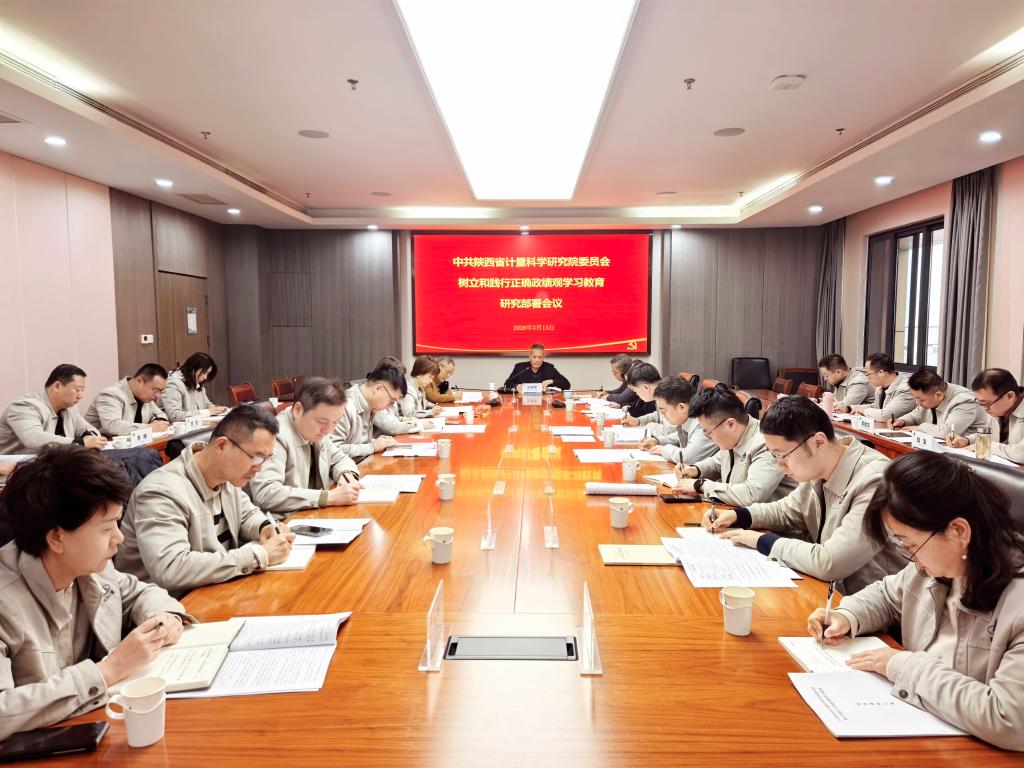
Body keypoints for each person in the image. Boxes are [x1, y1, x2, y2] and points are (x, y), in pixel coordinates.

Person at [808, 451, 1024, 751]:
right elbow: (887, 595)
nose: (910, 558)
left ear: (958, 531)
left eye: (910, 544)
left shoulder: (1017, 604)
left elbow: (1010, 719)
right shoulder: (934, 568)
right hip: (920, 733)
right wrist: (847, 615)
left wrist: (903, 666)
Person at [0, 445, 190, 741]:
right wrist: (107, 671)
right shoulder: (6, 599)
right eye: (106, 528)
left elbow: (139, 593)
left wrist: (164, 618)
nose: (119, 538)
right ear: (56, 538)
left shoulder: (91, 567)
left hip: (94, 729)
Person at [710, 396, 902, 595]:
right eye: (774, 456)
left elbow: (831, 562)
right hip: (829, 593)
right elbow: (786, 511)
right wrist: (739, 516)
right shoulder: (818, 467)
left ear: (818, 442)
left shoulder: (875, 480)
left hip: (866, 604)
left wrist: (763, 541)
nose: (779, 466)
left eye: (783, 456)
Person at [116, 405, 295, 597]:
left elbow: (247, 514)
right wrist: (257, 555)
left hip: (213, 589)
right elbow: (171, 568)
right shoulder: (160, 491)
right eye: (256, 458)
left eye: (266, 460)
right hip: (170, 603)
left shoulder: (226, 476)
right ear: (221, 446)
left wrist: (264, 527)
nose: (259, 468)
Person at [248, 377, 361, 517]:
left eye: (335, 422)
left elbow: (339, 458)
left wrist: (346, 474)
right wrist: (327, 497)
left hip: (312, 515)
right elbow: (265, 493)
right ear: (298, 410)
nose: (328, 430)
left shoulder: (317, 430)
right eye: (322, 421)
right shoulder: (275, 436)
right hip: (284, 523)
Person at [674, 385, 795, 505]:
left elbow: (752, 494)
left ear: (730, 424)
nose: (709, 438)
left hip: (764, 516)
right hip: (734, 512)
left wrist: (701, 485)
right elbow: (718, 462)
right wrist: (695, 470)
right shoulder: (733, 437)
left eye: (709, 433)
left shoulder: (766, 443)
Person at [0, 364, 106, 453]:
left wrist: (90, 438)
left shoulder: (68, 408)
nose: (80, 396)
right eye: (77, 390)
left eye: (82, 390)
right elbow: (34, 438)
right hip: (17, 467)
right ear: (57, 386)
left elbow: (87, 429)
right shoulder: (25, 406)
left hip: (52, 465)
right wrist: (80, 443)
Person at [947, 368, 1024, 464]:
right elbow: (987, 436)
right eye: (981, 403)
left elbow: (1021, 454)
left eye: (987, 403)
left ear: (1010, 396)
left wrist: (985, 446)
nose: (985, 408)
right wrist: (967, 440)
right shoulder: (997, 409)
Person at [334, 363, 407, 459]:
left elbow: (357, 442)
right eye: (391, 400)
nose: (390, 406)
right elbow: (332, 451)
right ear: (378, 389)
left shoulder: (370, 404)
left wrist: (376, 442)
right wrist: (372, 447)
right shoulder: (344, 406)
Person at [640, 377, 717, 465]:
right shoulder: (687, 420)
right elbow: (678, 436)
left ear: (682, 407)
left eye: (664, 410)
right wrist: (657, 440)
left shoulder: (702, 424)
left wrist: (663, 449)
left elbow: (687, 458)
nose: (662, 415)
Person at [891, 369, 987, 438]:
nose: (917, 402)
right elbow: (917, 415)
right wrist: (902, 421)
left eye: (921, 400)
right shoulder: (931, 394)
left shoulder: (964, 401)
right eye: (916, 398)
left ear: (939, 395)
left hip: (966, 452)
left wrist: (919, 428)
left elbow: (947, 432)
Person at [84, 364, 170, 436]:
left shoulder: (145, 397)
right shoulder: (111, 394)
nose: (157, 395)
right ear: (139, 381)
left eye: (160, 391)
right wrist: (150, 428)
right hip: (103, 445)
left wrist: (157, 422)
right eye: (155, 390)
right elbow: (112, 426)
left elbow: (160, 415)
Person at [159, 352, 228, 422]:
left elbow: (206, 404)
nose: (205, 377)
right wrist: (208, 412)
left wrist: (220, 410)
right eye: (204, 372)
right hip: (173, 427)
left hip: (194, 425)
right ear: (193, 369)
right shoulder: (174, 383)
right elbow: (174, 415)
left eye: (208, 373)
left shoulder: (196, 380)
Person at [850, 352, 916, 422]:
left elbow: (885, 416)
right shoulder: (880, 387)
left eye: (868, 374)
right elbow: (876, 407)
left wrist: (863, 411)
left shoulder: (905, 388)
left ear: (881, 373)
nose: (867, 378)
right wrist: (849, 408)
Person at [368, 356, 420, 437]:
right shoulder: (379, 396)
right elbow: (391, 427)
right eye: (399, 376)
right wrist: (417, 425)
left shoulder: (390, 393)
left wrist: (402, 419)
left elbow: (392, 418)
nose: (401, 380)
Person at [501, 344, 570, 393]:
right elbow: (507, 384)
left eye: (540, 357)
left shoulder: (549, 368)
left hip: (543, 404)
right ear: (529, 357)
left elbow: (567, 385)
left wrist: (551, 381)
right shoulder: (520, 367)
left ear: (543, 357)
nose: (537, 360)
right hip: (523, 403)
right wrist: (516, 386)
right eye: (534, 357)